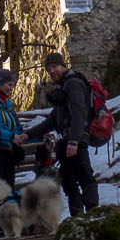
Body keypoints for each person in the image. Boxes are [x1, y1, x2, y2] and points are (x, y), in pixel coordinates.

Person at [17, 51, 100, 215]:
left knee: (85, 177)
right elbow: (52, 120)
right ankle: (78, 218)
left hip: (75, 140)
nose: (51, 71)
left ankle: (93, 216)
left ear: (63, 65)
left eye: (54, 67)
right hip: (66, 141)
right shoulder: (64, 87)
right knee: (69, 182)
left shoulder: (73, 83)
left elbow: (79, 113)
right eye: (48, 69)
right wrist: (28, 134)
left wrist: (74, 141)